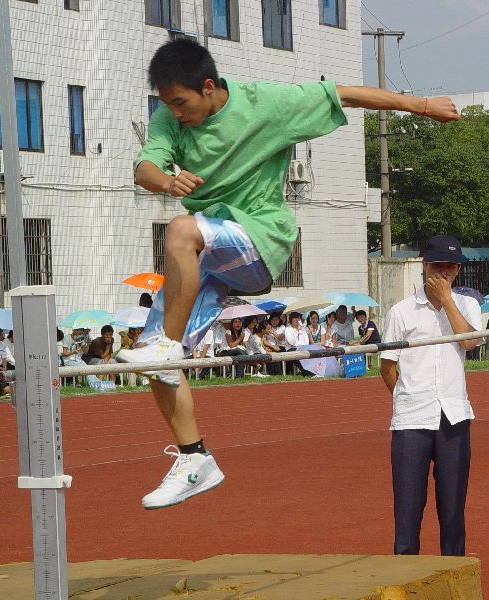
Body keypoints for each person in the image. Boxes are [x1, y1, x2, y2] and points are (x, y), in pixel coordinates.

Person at [115, 38, 458, 509]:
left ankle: (166, 343)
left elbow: (345, 94)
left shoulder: (267, 104)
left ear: (209, 87)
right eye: (168, 105)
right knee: (155, 366)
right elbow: (145, 166)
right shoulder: (168, 119)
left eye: (181, 103)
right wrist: (167, 180)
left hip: (258, 241)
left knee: (179, 231)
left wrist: (420, 106)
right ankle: (195, 458)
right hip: (209, 258)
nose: (176, 114)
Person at [380, 235, 481, 557]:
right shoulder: (401, 312)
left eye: (452, 266)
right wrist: (407, 396)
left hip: (453, 415)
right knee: (408, 509)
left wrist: (448, 301)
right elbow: (386, 367)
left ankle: (453, 573)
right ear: (425, 266)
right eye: (439, 265)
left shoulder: (468, 305)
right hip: (412, 418)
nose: (445, 272)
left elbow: (469, 343)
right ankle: (405, 575)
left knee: (453, 508)